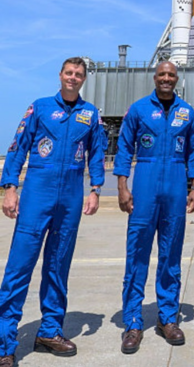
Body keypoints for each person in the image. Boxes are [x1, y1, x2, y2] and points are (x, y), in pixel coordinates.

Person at [0, 57, 106, 367]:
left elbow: (97, 153)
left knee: (58, 266)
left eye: (79, 74)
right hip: (37, 195)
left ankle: (49, 331)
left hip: (71, 198)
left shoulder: (90, 114)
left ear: (84, 79)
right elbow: (19, 146)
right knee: (19, 268)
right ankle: (5, 342)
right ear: (60, 76)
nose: (73, 78)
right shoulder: (41, 107)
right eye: (69, 73)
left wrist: (96, 189)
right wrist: (10, 186)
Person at [114, 61, 194, 355]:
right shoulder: (138, 109)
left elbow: (193, 152)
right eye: (162, 74)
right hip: (146, 184)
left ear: (177, 79)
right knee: (137, 253)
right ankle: (133, 322)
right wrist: (122, 186)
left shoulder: (186, 112)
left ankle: (167, 318)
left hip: (176, 186)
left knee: (171, 255)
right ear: (155, 78)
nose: (166, 78)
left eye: (171, 75)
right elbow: (125, 148)